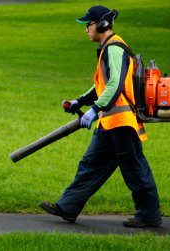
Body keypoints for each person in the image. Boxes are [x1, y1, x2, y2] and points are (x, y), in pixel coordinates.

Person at [39, 5, 162, 227]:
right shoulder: (107, 49)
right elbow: (102, 85)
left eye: (89, 25)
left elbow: (115, 84)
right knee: (90, 165)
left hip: (121, 123)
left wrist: (95, 109)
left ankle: (149, 215)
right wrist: (80, 101)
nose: (86, 29)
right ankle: (67, 207)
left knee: (134, 169)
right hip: (109, 122)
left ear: (102, 25)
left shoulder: (115, 48)